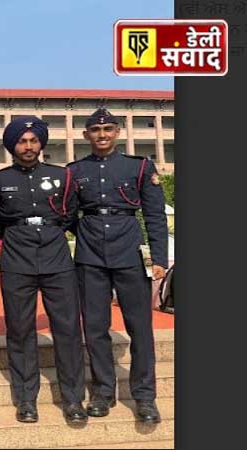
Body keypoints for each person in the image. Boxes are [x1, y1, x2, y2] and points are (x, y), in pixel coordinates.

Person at [0, 117, 87, 424]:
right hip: (17, 260)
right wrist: (16, 235)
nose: (28, 146)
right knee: (20, 330)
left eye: (33, 140)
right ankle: (26, 399)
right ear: (12, 146)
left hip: (56, 258)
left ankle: (72, 399)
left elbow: (69, 214)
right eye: (21, 141)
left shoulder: (62, 176)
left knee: (68, 329)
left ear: (41, 143)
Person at [68, 109, 168, 423]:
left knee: (139, 328)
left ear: (118, 132)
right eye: (95, 130)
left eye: (108, 129)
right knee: (95, 328)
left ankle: (144, 397)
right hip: (90, 255)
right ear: (86, 135)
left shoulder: (138, 167)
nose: (102, 135)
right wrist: (86, 233)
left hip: (128, 253)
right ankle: (103, 392)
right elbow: (68, 214)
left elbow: (154, 216)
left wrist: (160, 259)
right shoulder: (75, 170)